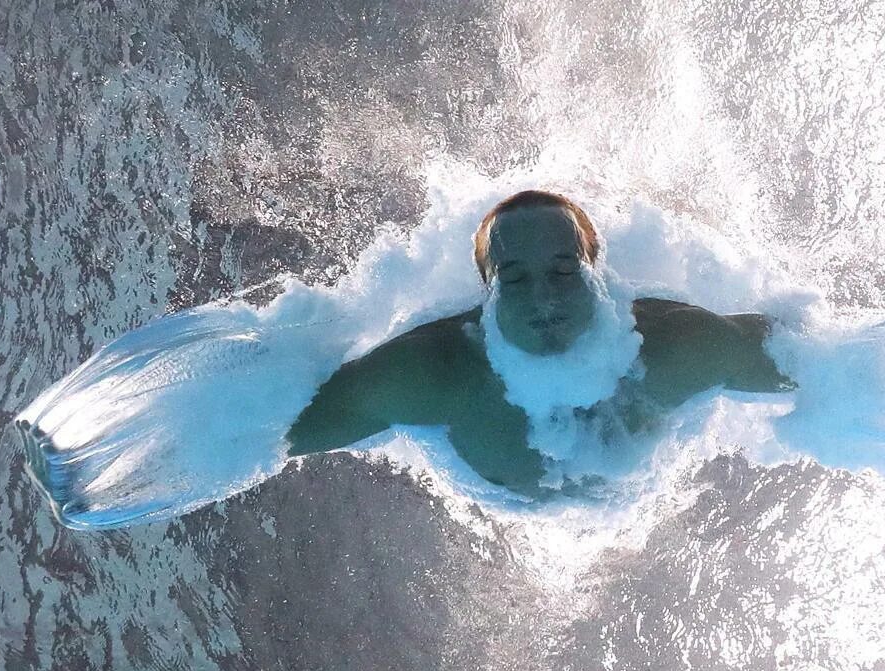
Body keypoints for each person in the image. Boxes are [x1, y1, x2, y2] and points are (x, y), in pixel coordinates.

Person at [285, 190, 795, 496]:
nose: (543, 298)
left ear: (598, 274)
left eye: (563, 269)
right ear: (488, 294)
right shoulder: (433, 375)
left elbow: (834, 362)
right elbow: (257, 435)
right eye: (514, 278)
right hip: (506, 513)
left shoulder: (681, 345)